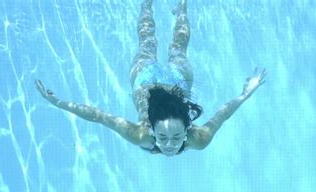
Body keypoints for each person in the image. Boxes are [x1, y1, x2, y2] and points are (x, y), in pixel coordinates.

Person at [35, 0, 266, 157]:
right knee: (170, 45)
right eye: (164, 137)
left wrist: (59, 103)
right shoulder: (161, 135)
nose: (169, 145)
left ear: (188, 128)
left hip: (143, 79)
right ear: (152, 129)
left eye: (176, 137)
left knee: (155, 42)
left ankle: (179, 4)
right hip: (177, 80)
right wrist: (245, 93)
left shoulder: (185, 137)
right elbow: (222, 114)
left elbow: (98, 116)